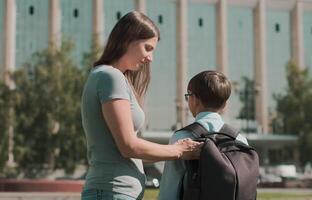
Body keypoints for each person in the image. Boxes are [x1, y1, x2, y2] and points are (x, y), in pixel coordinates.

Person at [81, 11, 201, 200]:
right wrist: (178, 150)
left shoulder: (107, 76)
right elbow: (128, 146)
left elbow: (129, 151)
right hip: (112, 192)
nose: (150, 58)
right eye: (147, 47)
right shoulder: (110, 77)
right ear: (128, 39)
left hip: (114, 192)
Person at [158, 70, 249, 200]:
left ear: (195, 99)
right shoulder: (240, 139)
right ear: (225, 104)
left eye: (188, 95)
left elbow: (170, 189)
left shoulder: (182, 138)